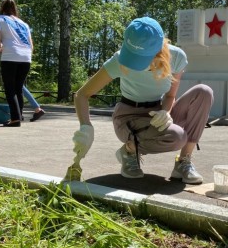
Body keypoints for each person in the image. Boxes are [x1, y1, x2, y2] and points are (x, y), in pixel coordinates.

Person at [72, 17, 213, 183]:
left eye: (141, 57)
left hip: (157, 111)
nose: (134, 63)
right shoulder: (119, 59)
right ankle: (129, 151)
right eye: (132, 56)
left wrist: (165, 112)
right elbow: (82, 95)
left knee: (203, 92)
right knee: (177, 136)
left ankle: (183, 162)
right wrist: (86, 127)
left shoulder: (176, 58)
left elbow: (169, 96)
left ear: (158, 50)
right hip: (128, 116)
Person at [0, 0, 34, 127]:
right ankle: (19, 116)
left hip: (10, 55)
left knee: (10, 89)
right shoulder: (23, 24)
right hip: (26, 57)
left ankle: (15, 119)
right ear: (15, 9)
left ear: (2, 7)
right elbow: (31, 45)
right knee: (18, 88)